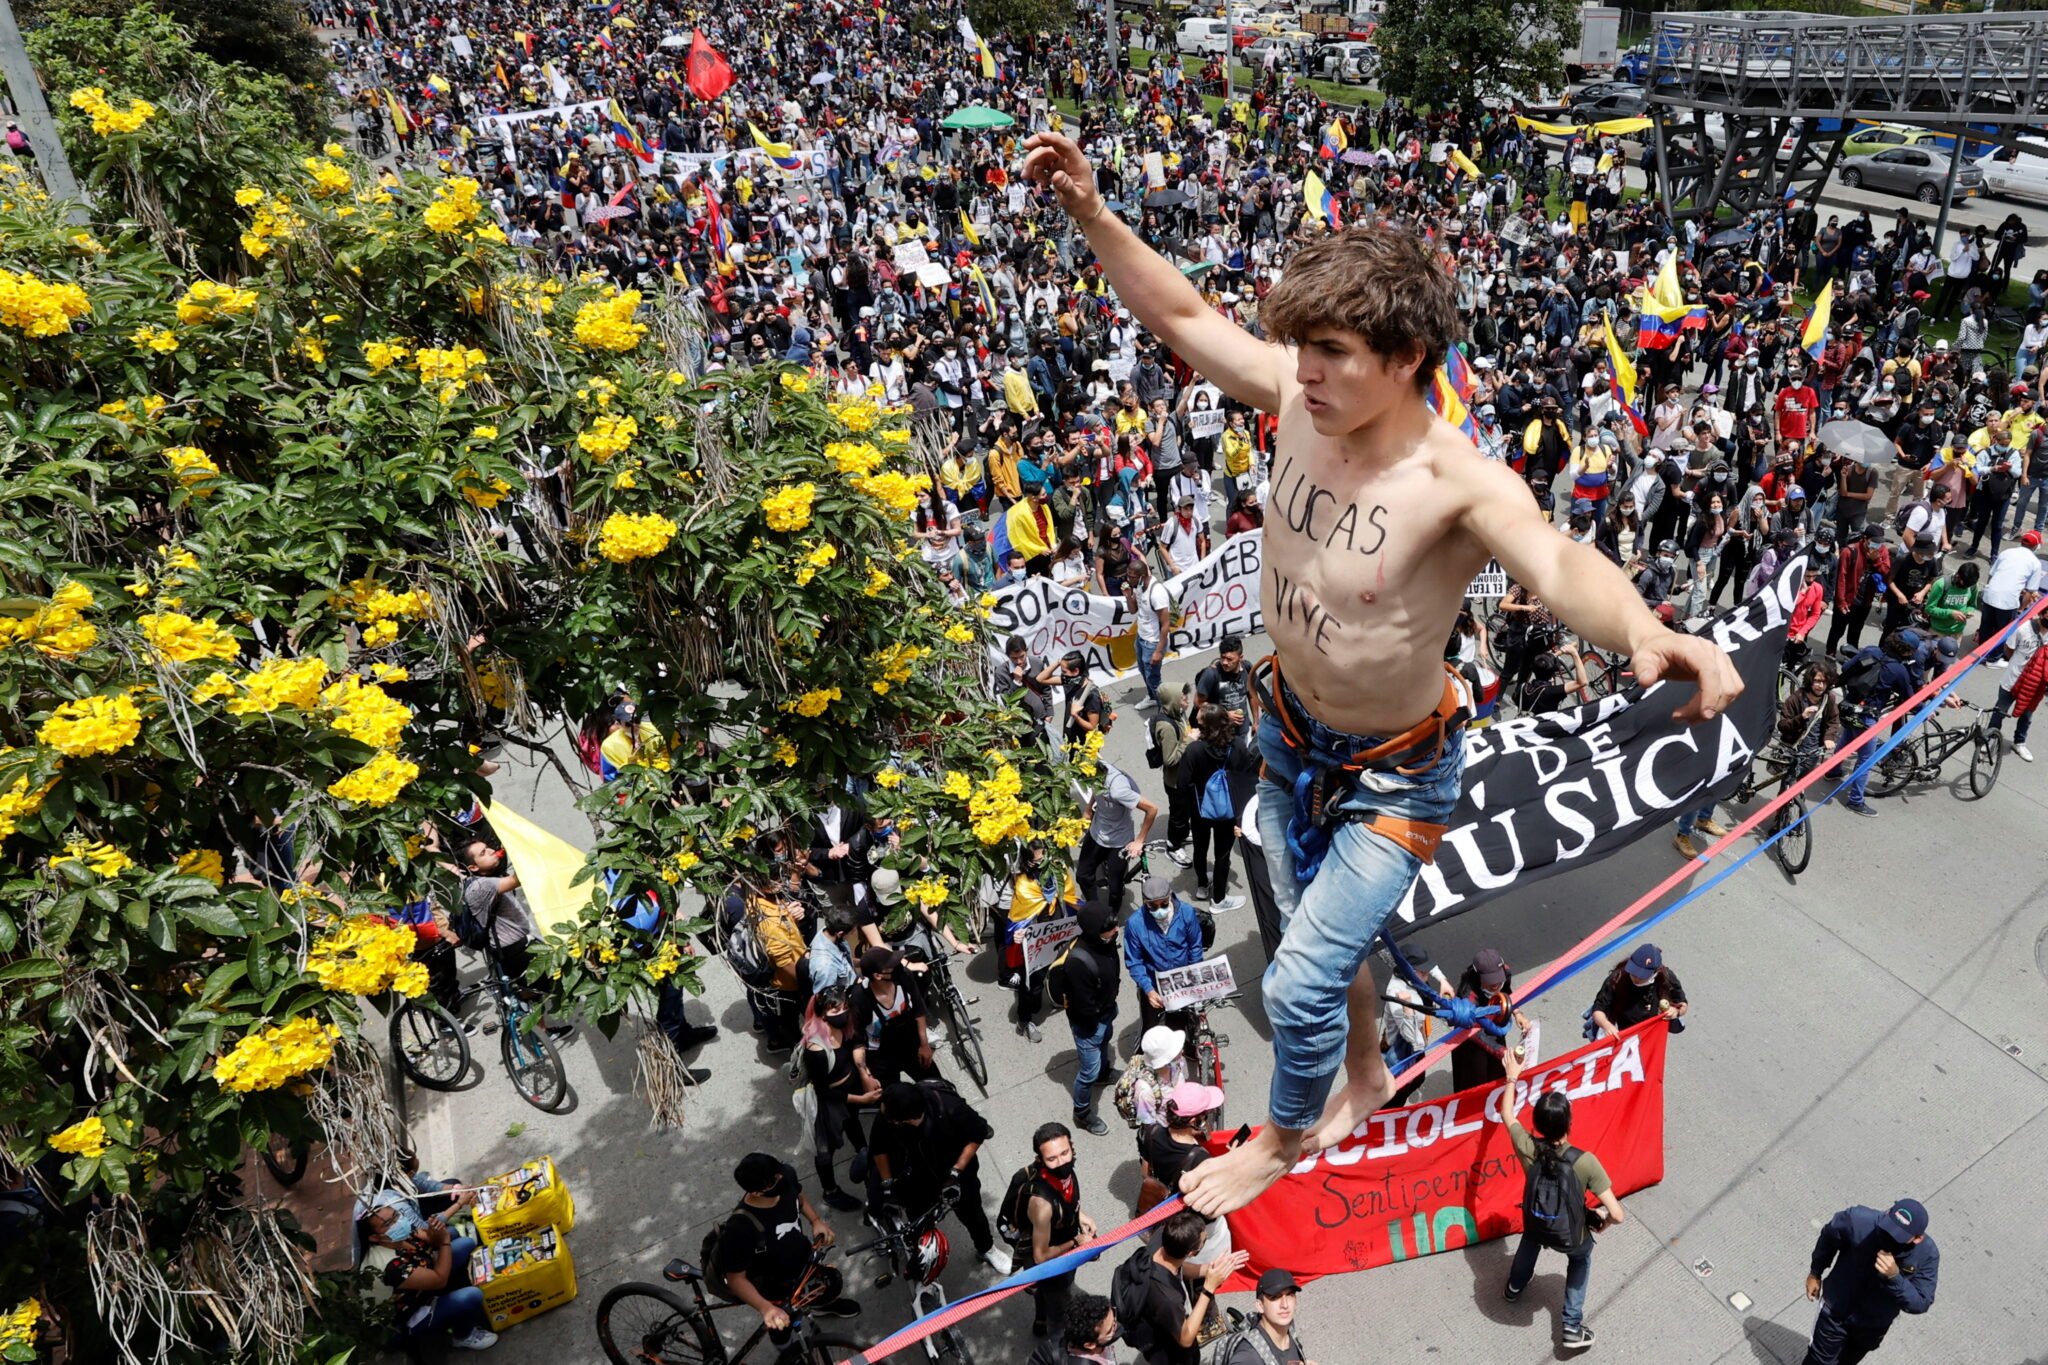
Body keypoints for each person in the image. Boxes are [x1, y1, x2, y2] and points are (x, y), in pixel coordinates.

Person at [1022, 136, 1740, 1216]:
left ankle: (1284, 1132)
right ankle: (1362, 1070)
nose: (1301, 372)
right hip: (1285, 729)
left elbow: (1553, 560)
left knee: (1300, 972)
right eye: (1296, 348)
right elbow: (1177, 318)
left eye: (1331, 352)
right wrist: (1090, 213)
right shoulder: (1299, 402)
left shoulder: (1457, 482)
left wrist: (1639, 627)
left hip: (1394, 772)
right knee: (1324, 930)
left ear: (1405, 356)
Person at [1499, 1046, 1626, 1352]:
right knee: (1581, 1259)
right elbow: (1618, 1214)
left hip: (1535, 1221)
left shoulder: (1526, 1145)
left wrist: (1511, 1078)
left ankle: (1515, 1286)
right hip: (1572, 1233)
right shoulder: (1585, 1162)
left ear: (1538, 1125)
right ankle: (1570, 1326)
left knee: (1530, 1241)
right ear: (1570, 1124)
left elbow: (1506, 1113)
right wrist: (1602, 1223)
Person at [712, 1154, 860, 1344]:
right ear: (756, 1192)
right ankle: (788, 1352)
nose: (781, 1179)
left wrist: (815, 1221)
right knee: (783, 1327)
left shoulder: (785, 1175)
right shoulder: (740, 1228)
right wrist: (766, 1308)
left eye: (778, 1172)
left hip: (803, 1258)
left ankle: (821, 1306)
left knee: (822, 1285)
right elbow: (736, 1279)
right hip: (774, 1286)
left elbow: (798, 1198)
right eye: (774, 1181)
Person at [871, 1080, 1012, 1275]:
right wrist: (887, 1185)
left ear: (905, 1119)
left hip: (958, 1176)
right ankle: (926, 1260)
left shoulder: (950, 1108)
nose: (883, 1114)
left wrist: (956, 1172)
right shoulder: (887, 1114)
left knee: (973, 1214)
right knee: (919, 1224)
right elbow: (878, 1148)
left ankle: (986, 1248)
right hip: (916, 1180)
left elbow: (978, 1132)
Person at [355, 1189, 497, 1351]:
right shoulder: (391, 1267)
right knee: (472, 1295)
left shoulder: (400, 1232)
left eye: (396, 1215)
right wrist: (443, 1240)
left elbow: (431, 1241)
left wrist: (435, 1230)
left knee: (464, 1243)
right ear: (374, 1238)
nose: (397, 1222)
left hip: (419, 1288)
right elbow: (439, 1279)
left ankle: (453, 1295)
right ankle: (463, 1336)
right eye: (388, 1224)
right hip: (402, 1320)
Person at [1802, 1199, 1939, 1365]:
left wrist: (1895, 1277)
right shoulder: (1857, 1220)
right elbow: (1829, 1235)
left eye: (1898, 1236)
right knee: (1819, 1362)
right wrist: (1815, 1272)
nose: (1888, 1236)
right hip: (1835, 1310)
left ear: (1917, 1239)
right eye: (1888, 1226)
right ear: (1888, 1211)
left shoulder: (1927, 1255)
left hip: (1872, 1326)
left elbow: (1921, 1302)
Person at [1127, 1208, 1250, 1365]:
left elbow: (1181, 1267)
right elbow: (1185, 1338)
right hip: (1168, 1347)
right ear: (1192, 1252)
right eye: (1204, 1241)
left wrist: (1208, 1269)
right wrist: (1208, 1288)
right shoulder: (1168, 1297)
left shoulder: (1163, 1240)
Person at [800, 987, 880, 1212]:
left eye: (845, 1007)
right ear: (822, 1013)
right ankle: (830, 1191)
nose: (842, 1013)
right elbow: (824, 1090)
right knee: (826, 1149)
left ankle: (863, 1153)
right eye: (835, 1009)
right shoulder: (816, 1048)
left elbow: (857, 1039)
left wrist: (864, 1073)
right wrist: (861, 1099)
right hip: (831, 1101)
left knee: (853, 1122)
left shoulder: (845, 1023)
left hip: (851, 1084)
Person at [1021, 1122, 1098, 1339]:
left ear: (1071, 1147)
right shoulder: (1042, 1204)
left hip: (1061, 1247)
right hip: (1052, 1262)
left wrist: (1080, 1215)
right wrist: (1077, 1242)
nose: (1061, 1162)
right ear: (1040, 1160)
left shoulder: (1063, 1175)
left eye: (1065, 1153)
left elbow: (1065, 1199)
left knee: (1047, 1294)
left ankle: (1040, 1319)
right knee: (1058, 1310)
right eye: (1052, 1159)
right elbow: (1041, 1256)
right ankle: (1055, 1344)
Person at [1178, 703, 1256, 909]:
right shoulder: (1238, 746)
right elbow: (1248, 780)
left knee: (1200, 848)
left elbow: (1182, 784)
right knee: (1223, 854)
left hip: (1200, 810)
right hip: (1228, 811)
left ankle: (1202, 885)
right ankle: (1219, 899)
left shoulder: (1194, 750)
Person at [1061, 901, 1124, 1135]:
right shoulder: (1077, 963)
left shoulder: (1105, 942)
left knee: (1106, 1040)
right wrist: (1093, 1027)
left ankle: (1104, 1074)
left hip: (1106, 1011)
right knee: (1088, 1070)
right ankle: (1082, 1113)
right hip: (1089, 1024)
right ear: (1095, 930)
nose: (1116, 930)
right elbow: (1082, 1005)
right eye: (1111, 927)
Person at [1125, 875, 1207, 1034]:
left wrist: (1195, 977)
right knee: (1150, 1028)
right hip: (1154, 984)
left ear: (1170, 896)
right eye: (1153, 907)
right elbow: (1134, 962)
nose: (1159, 910)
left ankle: (1187, 1049)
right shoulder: (1135, 924)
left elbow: (1195, 948)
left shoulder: (1186, 913)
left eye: (1163, 904)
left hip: (1182, 982)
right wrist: (1148, 989)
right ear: (1145, 902)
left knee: (1181, 1023)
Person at [1075, 758, 1156, 914]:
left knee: (1115, 887)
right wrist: (1088, 809)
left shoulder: (1118, 790)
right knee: (1083, 875)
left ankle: (1112, 915)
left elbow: (1152, 809)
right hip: (1097, 833)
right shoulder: (1097, 769)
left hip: (1119, 842)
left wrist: (1139, 841)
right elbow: (1095, 788)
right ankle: (1096, 910)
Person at [1586, 943, 1689, 1038]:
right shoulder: (1617, 977)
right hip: (1618, 1029)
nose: (1637, 978)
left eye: (1642, 976)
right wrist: (1607, 1025)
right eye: (1634, 972)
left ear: (1656, 972)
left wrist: (1676, 1011)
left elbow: (1683, 1004)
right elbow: (1598, 1009)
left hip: (1647, 1034)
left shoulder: (1667, 978)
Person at [1225, 1269, 1317, 1365]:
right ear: (1260, 1306)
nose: (1285, 1305)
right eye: (1275, 1297)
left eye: (1290, 1295)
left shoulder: (1288, 1328)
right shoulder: (1249, 1357)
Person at [1114, 1023, 1190, 1134]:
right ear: (1166, 1060)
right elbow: (1149, 1125)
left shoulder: (1177, 1062)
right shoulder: (1145, 1090)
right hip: (1167, 1132)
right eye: (1176, 1050)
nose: (1182, 1050)